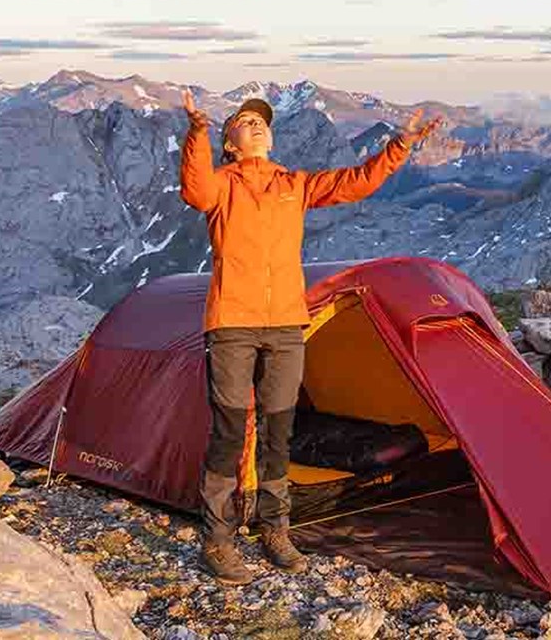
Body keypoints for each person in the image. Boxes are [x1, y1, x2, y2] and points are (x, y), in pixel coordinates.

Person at [178, 90, 443, 584]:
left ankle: (275, 528)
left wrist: (399, 146)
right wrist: (195, 132)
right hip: (232, 323)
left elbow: (354, 184)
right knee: (230, 432)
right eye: (243, 121)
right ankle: (217, 540)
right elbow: (194, 189)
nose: (256, 125)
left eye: (262, 122)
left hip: (285, 324)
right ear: (230, 144)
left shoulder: (293, 184)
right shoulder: (221, 185)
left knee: (280, 430)